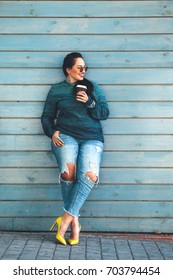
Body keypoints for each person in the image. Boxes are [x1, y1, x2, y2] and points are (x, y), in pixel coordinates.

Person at [41, 52, 109, 245]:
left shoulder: (92, 87)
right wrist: (51, 131)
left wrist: (90, 102)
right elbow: (46, 117)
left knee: (90, 176)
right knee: (68, 174)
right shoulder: (56, 90)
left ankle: (66, 221)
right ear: (68, 69)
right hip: (66, 135)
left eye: (85, 68)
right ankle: (75, 224)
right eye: (80, 67)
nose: (83, 71)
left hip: (92, 137)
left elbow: (104, 113)